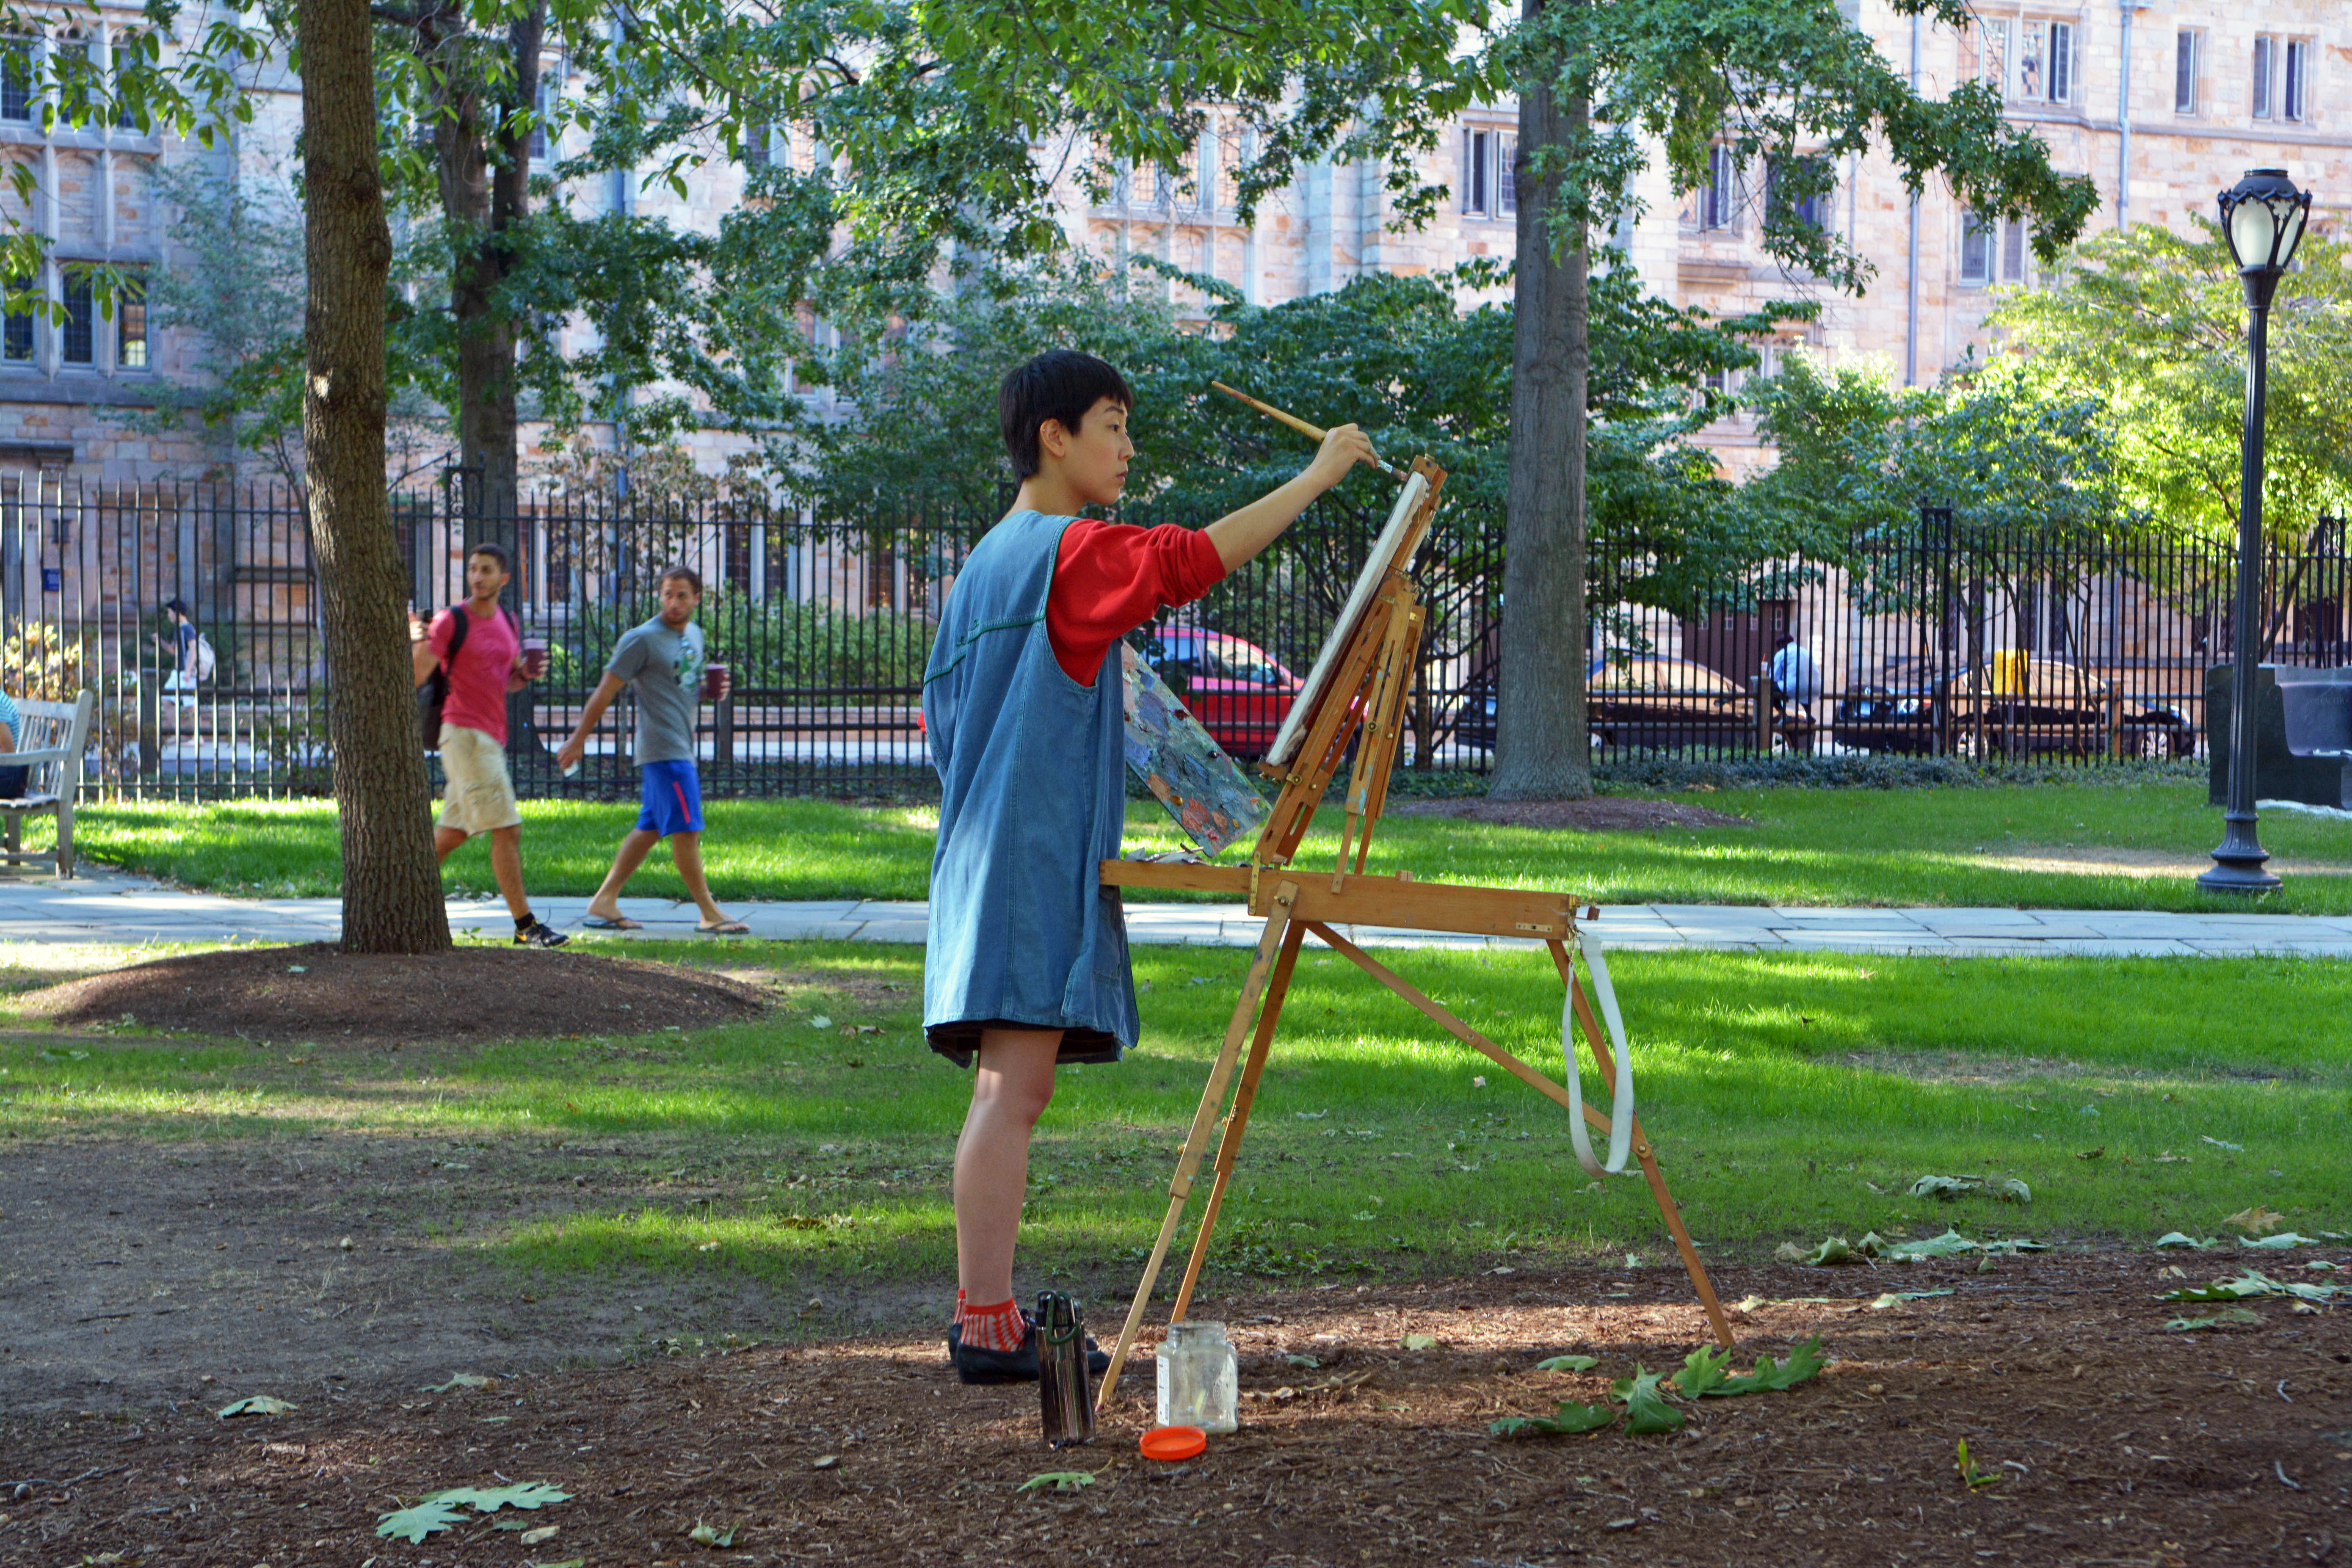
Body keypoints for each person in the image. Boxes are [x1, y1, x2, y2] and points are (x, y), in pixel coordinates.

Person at [926, 349, 1377, 1383]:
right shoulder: (1066, 551)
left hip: (988, 850)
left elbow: (957, 723)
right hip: (1025, 858)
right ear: (1056, 436)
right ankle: (987, 1323)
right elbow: (1186, 561)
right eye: (1114, 425)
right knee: (1013, 1091)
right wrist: (1316, 478)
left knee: (1009, 1085)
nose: (1128, 449)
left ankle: (983, 1315)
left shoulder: (989, 562)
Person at [554, 563, 749, 935]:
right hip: (664, 749)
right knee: (687, 829)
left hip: (681, 744)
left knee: (650, 827)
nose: (673, 603)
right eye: (667, 595)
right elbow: (604, 691)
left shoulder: (695, 634)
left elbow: (686, 684)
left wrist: (710, 691)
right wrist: (578, 739)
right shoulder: (641, 639)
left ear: (697, 598)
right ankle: (709, 912)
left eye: (682, 596)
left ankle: (604, 901)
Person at [410, 542, 569, 948]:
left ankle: (402, 903)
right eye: (473, 569)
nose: (478, 577)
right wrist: (416, 639)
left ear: (504, 578)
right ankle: (526, 926)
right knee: (508, 828)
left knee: (450, 835)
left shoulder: (506, 620)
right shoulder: (452, 621)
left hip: (490, 736)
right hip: (465, 735)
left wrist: (526, 674)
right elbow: (416, 675)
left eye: (486, 570)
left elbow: (507, 680)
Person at [1768, 632, 1823, 711]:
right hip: (1817, 688)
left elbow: (1774, 678)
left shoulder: (1782, 654)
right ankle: (1808, 715)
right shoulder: (1804, 651)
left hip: (1796, 688)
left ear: (1781, 645)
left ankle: (1783, 715)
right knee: (1803, 689)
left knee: (1767, 689)